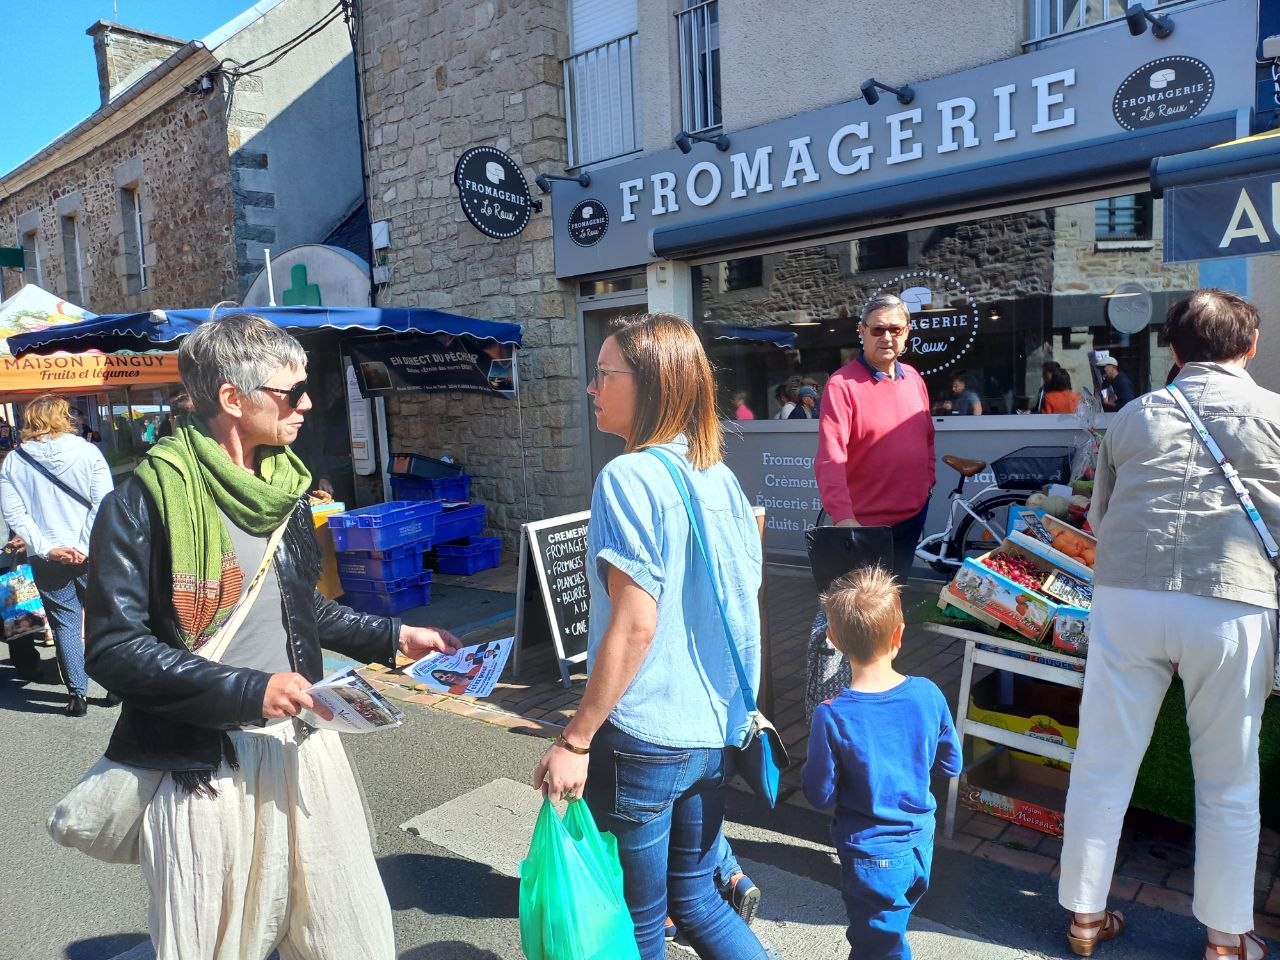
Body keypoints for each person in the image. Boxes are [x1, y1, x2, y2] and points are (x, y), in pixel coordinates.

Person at [82, 313, 462, 960]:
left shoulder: (283, 488)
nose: (308, 404)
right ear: (233, 399)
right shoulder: (139, 504)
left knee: (349, 935)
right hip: (205, 767)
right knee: (216, 943)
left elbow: (301, 610)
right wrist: (252, 691)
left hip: (305, 750)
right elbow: (114, 650)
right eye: (292, 393)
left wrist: (397, 636)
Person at [532, 312, 772, 960]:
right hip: (711, 731)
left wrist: (575, 739)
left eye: (604, 373)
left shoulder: (627, 478)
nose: (592, 387)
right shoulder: (718, 476)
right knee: (695, 898)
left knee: (641, 923)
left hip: (644, 737)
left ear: (650, 384)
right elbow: (745, 601)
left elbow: (635, 624)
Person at [1057, 290, 1280, 960]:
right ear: (1251, 345)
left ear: (1173, 350)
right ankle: (1224, 938)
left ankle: (1085, 919)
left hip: (1129, 595)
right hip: (1232, 599)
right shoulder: (1274, 415)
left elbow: (1098, 519)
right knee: (1229, 777)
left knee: (1102, 760)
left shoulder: (1132, 419)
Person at [803, 566, 961, 960]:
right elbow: (950, 765)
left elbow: (819, 793)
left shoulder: (833, 714)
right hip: (920, 847)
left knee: (878, 946)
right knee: (893, 925)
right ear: (899, 634)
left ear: (834, 639)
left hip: (872, 856)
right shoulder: (928, 693)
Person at [0, 394, 112, 715]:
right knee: (104, 619)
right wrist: (82, 546)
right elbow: (103, 502)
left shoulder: (15, 461)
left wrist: (48, 548)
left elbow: (16, 516)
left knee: (65, 623)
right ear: (64, 416)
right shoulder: (88, 452)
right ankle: (115, 686)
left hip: (45, 557)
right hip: (93, 553)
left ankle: (77, 695)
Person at [816, 293, 935, 582]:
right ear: (862, 332)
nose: (886, 337)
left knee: (897, 598)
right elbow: (830, 458)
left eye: (895, 329)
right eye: (877, 329)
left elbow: (927, 436)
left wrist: (928, 482)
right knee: (862, 616)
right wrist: (844, 518)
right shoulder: (841, 385)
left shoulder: (915, 379)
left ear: (906, 332)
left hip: (912, 516)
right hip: (865, 527)